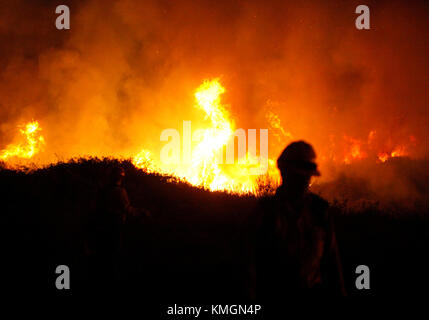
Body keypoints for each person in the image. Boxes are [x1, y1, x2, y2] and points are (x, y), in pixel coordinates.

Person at [245, 140, 346, 299]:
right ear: (285, 173)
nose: (304, 180)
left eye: (307, 175)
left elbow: (332, 264)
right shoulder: (266, 212)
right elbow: (248, 263)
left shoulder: (320, 211)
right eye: (298, 175)